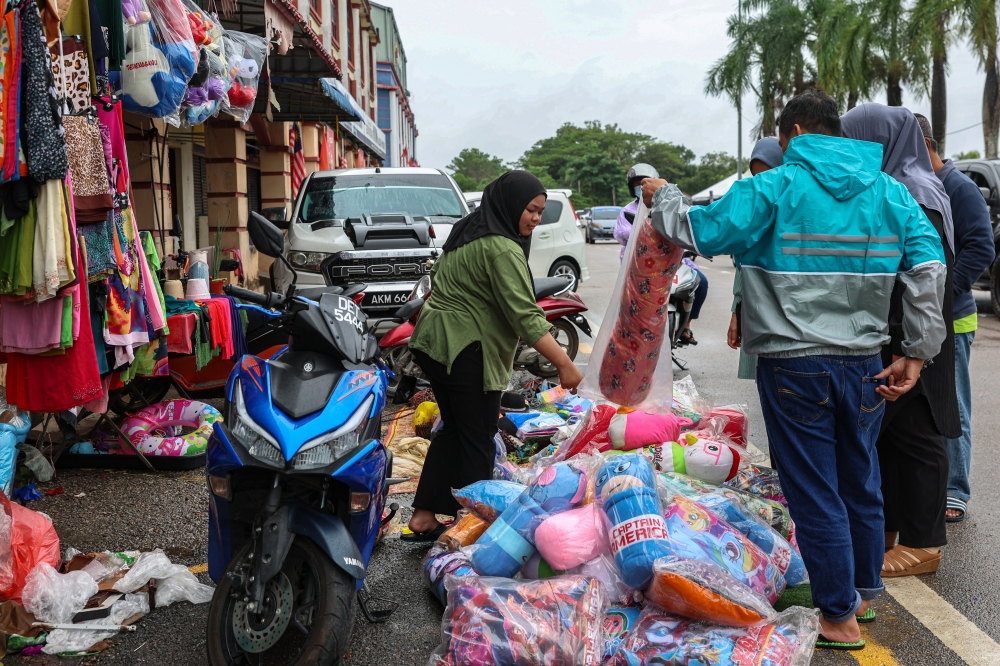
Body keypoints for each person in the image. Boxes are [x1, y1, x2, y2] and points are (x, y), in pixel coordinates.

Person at [641, 90, 946, 650]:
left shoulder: (773, 187)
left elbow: (696, 229)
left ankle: (838, 617)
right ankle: (858, 590)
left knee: (814, 488)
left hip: (792, 364)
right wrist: (918, 350)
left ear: (796, 132)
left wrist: (663, 195)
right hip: (865, 364)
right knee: (859, 477)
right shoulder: (889, 192)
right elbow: (929, 265)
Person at [403, 171, 584, 541]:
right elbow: (525, 314)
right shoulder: (501, 246)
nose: (535, 218)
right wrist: (564, 363)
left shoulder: (468, 229)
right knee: (478, 438)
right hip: (465, 347)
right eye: (530, 210)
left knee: (455, 430)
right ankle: (473, 529)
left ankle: (423, 517)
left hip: (437, 343)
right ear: (511, 205)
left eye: (540, 211)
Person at [841, 105, 960, 578]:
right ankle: (891, 531)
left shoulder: (914, 192)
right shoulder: (901, 187)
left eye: (856, 142)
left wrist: (910, 346)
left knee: (920, 438)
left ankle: (924, 543)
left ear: (881, 144)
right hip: (901, 334)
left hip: (914, 337)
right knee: (891, 440)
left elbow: (923, 277)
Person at [914, 113, 995, 523]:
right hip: (930, 315)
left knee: (955, 404)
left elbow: (982, 248)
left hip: (955, 318)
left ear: (926, 145)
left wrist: (946, 296)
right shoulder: (920, 185)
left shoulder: (958, 187)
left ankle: (956, 492)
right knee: (928, 405)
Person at [616, 163, 708, 345]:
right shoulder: (627, 211)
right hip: (639, 265)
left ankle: (687, 325)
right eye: (636, 184)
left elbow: (684, 227)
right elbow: (623, 234)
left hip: (672, 262)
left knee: (701, 282)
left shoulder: (669, 205)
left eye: (644, 182)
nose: (640, 187)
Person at [727, 137, 784, 381]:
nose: (764, 183)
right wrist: (736, 313)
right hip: (755, 309)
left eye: (770, 174)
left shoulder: (798, 209)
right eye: (757, 176)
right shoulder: (753, 210)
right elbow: (742, 269)